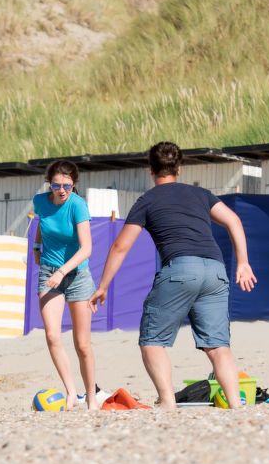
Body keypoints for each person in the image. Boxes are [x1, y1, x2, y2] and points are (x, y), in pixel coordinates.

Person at [92, 140, 257, 409]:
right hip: (215, 269)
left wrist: (103, 286)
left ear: (150, 170)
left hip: (181, 269)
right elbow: (234, 221)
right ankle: (236, 407)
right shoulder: (201, 195)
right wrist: (243, 263)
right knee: (217, 346)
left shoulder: (147, 201)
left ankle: (168, 404)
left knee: (152, 341)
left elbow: (121, 246)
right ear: (179, 169)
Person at [32, 159, 98, 408]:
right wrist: (37, 247)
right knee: (52, 335)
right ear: (49, 184)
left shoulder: (78, 206)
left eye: (67, 186)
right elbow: (43, 225)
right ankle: (71, 391)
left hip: (77, 275)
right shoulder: (40, 201)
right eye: (56, 185)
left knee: (82, 344)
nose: (61, 190)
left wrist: (62, 271)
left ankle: (91, 396)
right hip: (49, 272)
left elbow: (87, 248)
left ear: (74, 184)